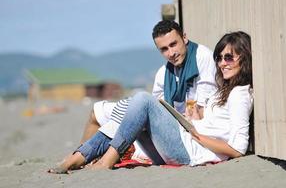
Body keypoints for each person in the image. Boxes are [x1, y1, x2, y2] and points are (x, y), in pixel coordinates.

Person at [48, 31, 253, 173]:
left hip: (190, 152)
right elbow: (213, 124)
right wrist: (191, 120)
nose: (221, 63)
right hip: (185, 143)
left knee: (143, 99)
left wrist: (197, 135)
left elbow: (238, 149)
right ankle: (78, 157)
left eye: (229, 58)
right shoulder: (225, 91)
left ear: (244, 58)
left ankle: (104, 160)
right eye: (219, 58)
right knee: (129, 115)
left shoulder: (240, 95)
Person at [79, 20, 217, 160]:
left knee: (141, 102)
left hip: (189, 137)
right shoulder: (163, 73)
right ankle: (81, 156)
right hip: (168, 126)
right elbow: (157, 109)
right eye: (164, 49)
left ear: (185, 38)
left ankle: (103, 159)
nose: (171, 53)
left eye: (173, 44)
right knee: (97, 111)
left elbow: (203, 112)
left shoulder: (202, 58)